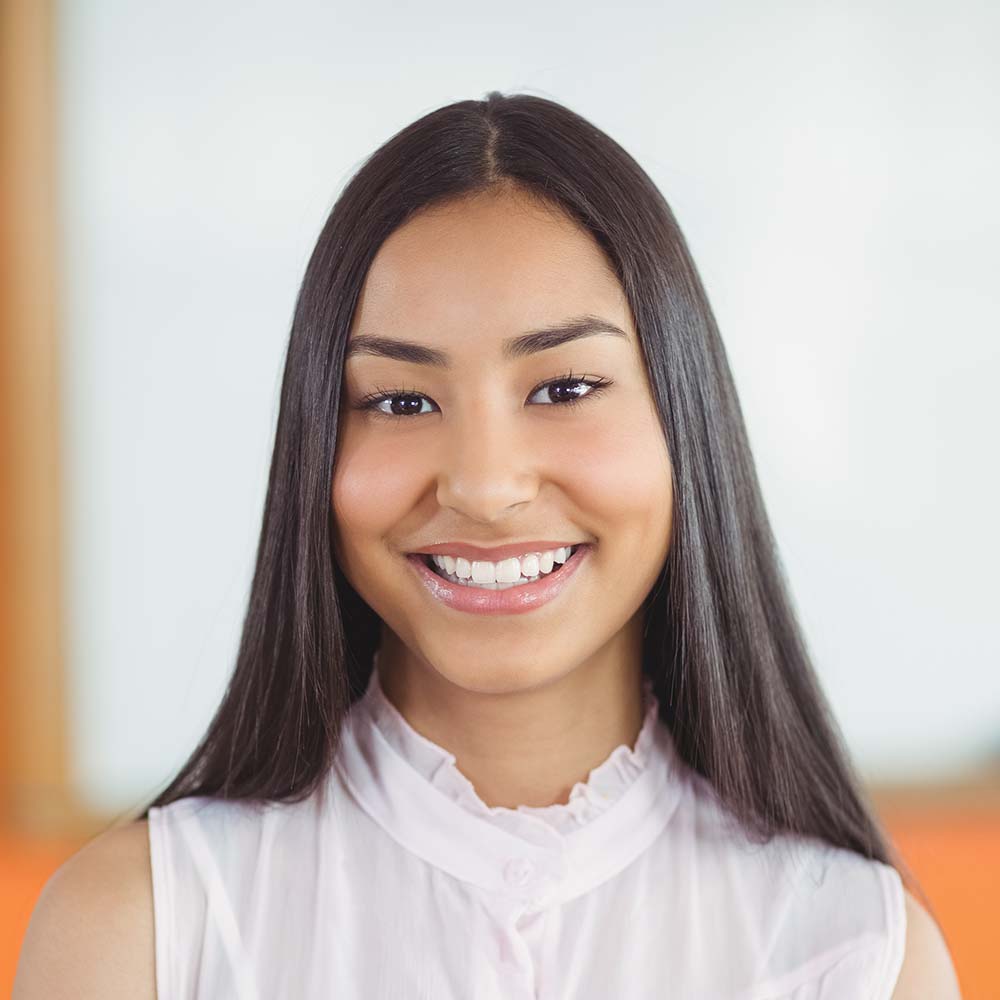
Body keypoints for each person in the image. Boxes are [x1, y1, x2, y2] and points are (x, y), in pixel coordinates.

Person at [14, 91, 961, 999]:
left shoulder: (858, 952)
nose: (483, 485)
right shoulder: (141, 930)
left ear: (685, 416)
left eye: (563, 388)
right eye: (400, 401)